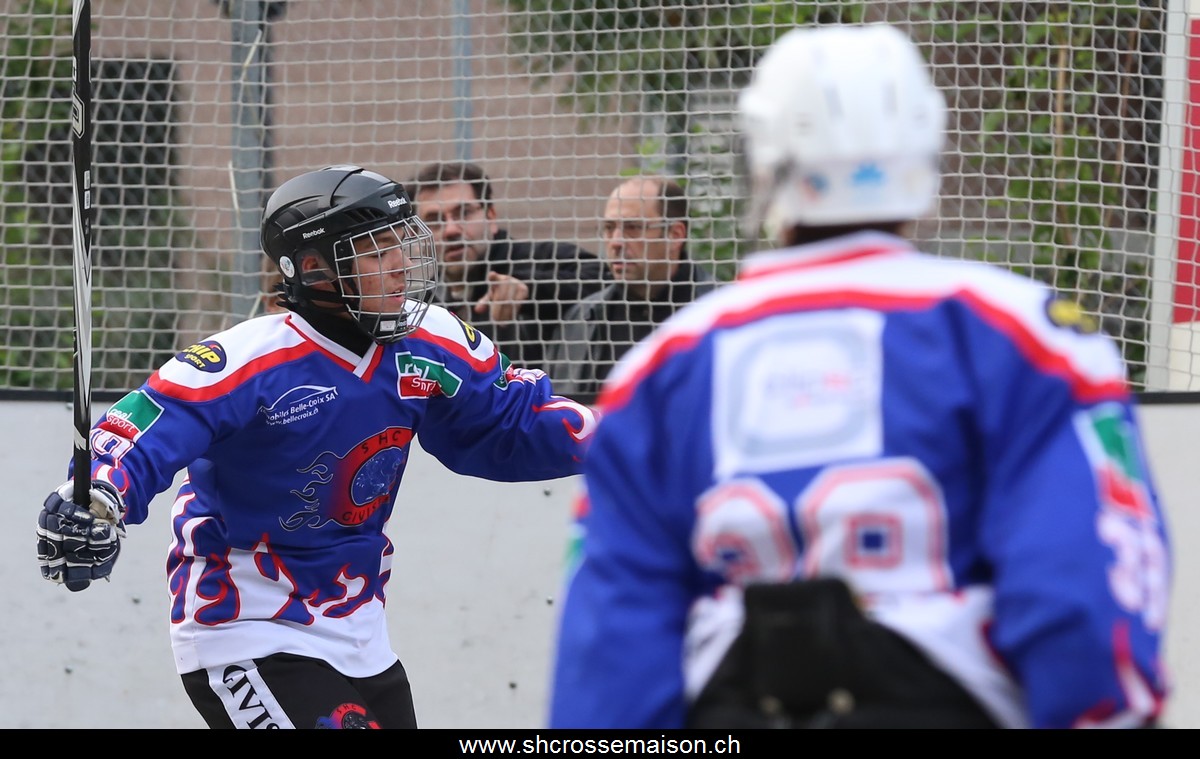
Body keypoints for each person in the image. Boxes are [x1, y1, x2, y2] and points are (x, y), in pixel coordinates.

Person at [548, 24, 1170, 729]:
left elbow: (608, 652)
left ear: (763, 159)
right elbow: (1084, 599)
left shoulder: (660, 370)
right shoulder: (1034, 338)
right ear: (926, 147)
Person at [36, 164, 597, 730]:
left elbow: (510, 423)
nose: (400, 264)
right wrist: (96, 499)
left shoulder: (433, 340)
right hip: (246, 624)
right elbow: (143, 430)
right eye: (375, 251)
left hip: (359, 627)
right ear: (314, 269)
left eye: (401, 242)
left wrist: (630, 439)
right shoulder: (247, 361)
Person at [408, 161, 607, 372]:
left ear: (491, 216)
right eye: (434, 220)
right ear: (417, 235)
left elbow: (605, 279)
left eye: (464, 213)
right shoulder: (420, 306)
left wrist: (530, 290)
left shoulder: (541, 259)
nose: (451, 230)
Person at [545, 175, 717, 404]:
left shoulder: (721, 315)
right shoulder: (581, 321)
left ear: (675, 235)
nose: (616, 242)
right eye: (609, 228)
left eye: (633, 228)